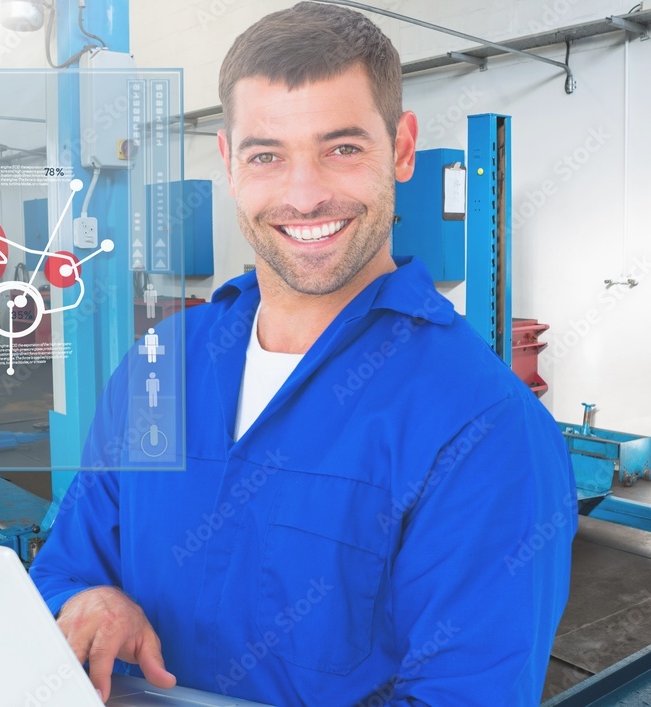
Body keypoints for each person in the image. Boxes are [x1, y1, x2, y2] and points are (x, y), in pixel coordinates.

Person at [30, 3, 576, 705]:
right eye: (267, 155)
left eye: (342, 147)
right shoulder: (162, 363)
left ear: (402, 149)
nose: (304, 193)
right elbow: (69, 562)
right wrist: (88, 599)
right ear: (229, 163)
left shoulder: (482, 429)